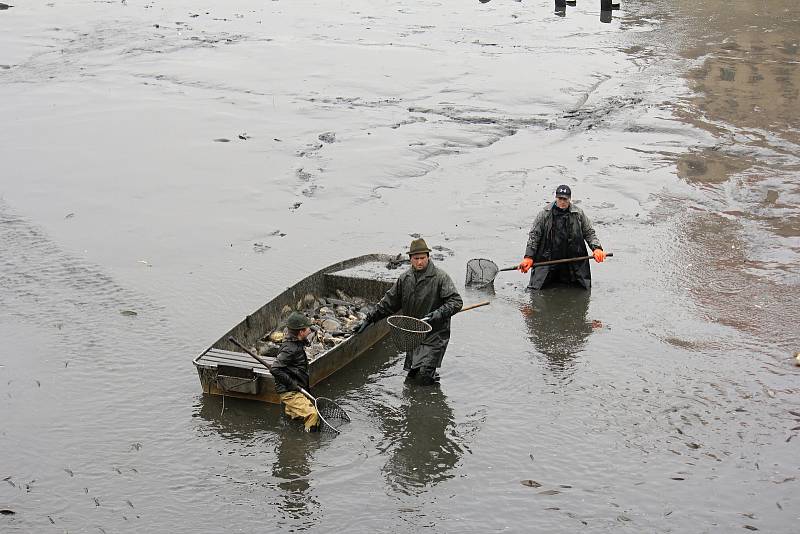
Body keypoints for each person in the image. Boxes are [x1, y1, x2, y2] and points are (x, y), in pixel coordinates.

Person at [357, 238, 463, 385]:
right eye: (416, 258)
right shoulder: (405, 279)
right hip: (413, 336)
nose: (420, 262)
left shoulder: (440, 278)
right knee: (411, 380)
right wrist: (369, 319)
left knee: (423, 379)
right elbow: (388, 303)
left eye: (422, 258)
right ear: (410, 259)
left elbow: (456, 302)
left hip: (435, 336)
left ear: (428, 257)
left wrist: (438, 314)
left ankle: (430, 399)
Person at [518, 184, 606, 290]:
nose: (562, 202)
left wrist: (597, 248)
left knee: (581, 290)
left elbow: (589, 233)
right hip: (548, 259)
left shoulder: (578, 214)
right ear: (556, 198)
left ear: (570, 199)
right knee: (535, 290)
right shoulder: (544, 214)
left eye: (565, 199)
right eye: (560, 198)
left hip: (573, 258)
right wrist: (528, 257)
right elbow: (534, 236)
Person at [269, 311, 320, 432]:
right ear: (301, 332)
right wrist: (291, 384)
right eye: (308, 329)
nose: (310, 330)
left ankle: (291, 438)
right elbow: (275, 369)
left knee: (295, 417)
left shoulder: (296, 343)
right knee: (313, 414)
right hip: (290, 391)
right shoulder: (290, 349)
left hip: (296, 388)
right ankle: (310, 443)